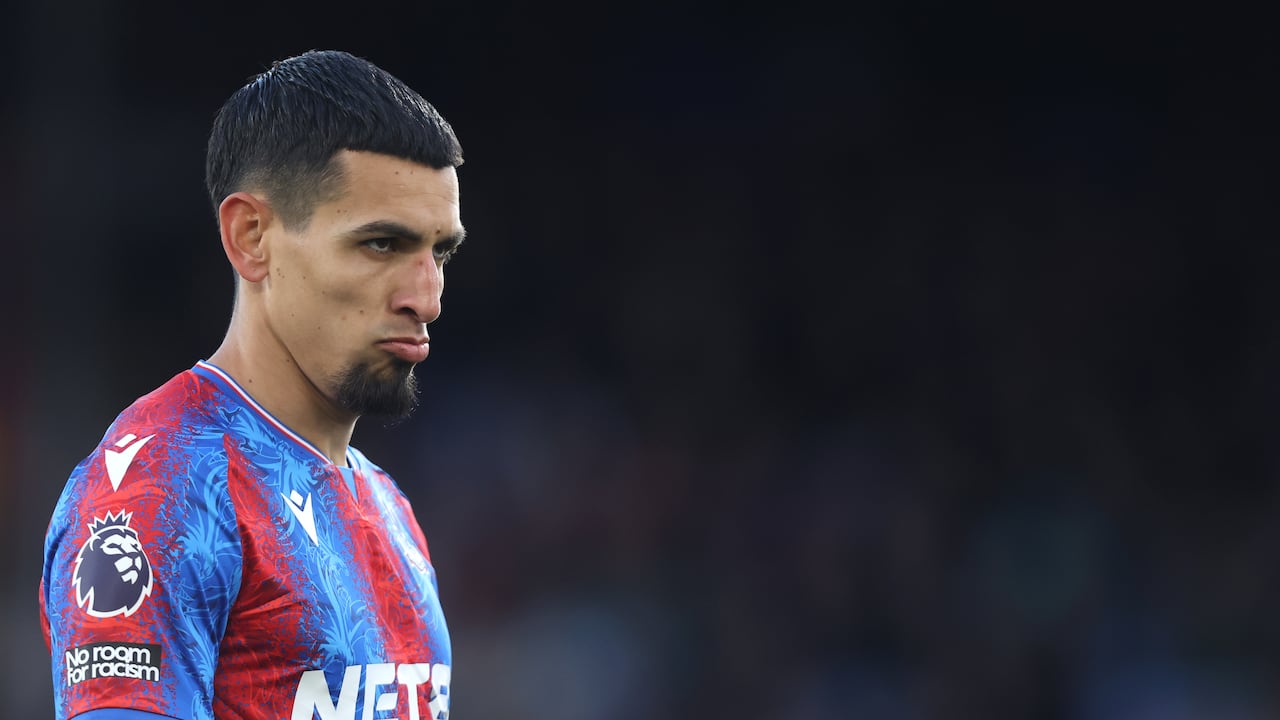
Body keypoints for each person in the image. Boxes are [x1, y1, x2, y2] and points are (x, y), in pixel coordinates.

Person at [40, 50, 465, 720]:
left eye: (439, 252)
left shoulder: (389, 508)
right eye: (382, 244)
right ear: (251, 236)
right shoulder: (165, 486)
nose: (428, 297)